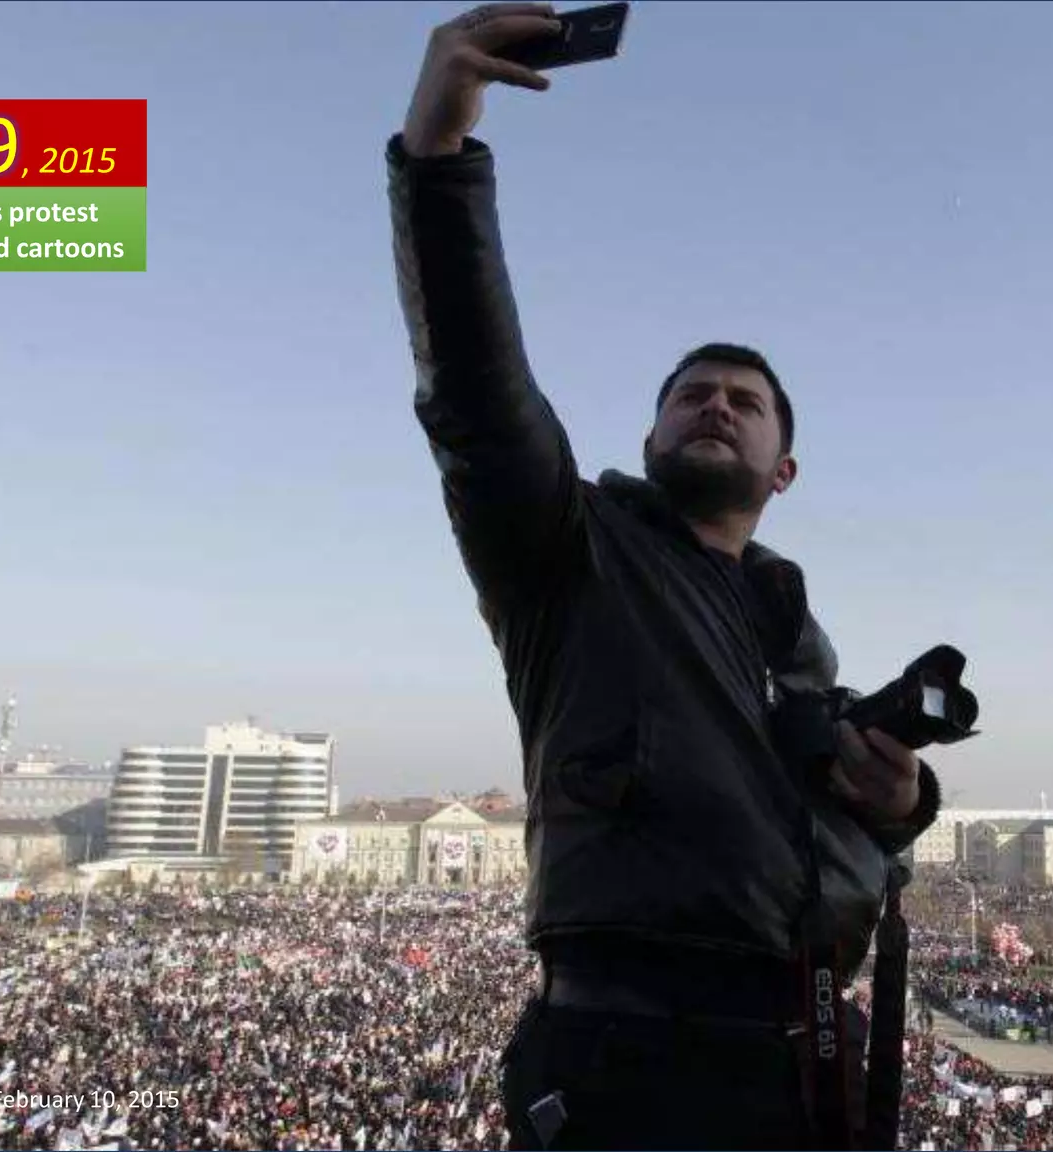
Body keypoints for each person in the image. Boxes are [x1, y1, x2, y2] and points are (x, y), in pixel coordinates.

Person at [388, 5, 943, 1149]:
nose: (715, 404)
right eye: (692, 392)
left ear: (780, 468)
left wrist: (898, 806)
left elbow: (799, 824)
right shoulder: (567, 552)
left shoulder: (792, 634)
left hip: (797, 1060)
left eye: (744, 402)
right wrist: (438, 161)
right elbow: (481, 402)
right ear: (648, 443)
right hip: (626, 1061)